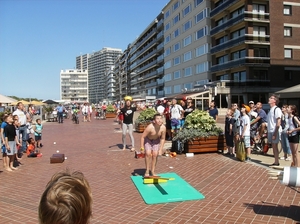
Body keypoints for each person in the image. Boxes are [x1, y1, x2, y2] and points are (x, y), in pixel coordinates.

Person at [267, 94, 282, 166]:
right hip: (270, 130)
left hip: (274, 130)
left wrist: (275, 133)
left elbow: (278, 122)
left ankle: (277, 162)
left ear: (275, 101)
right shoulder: (270, 110)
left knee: (275, 146)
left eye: (271, 98)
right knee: (273, 146)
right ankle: (275, 161)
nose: (269, 99)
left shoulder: (277, 109)